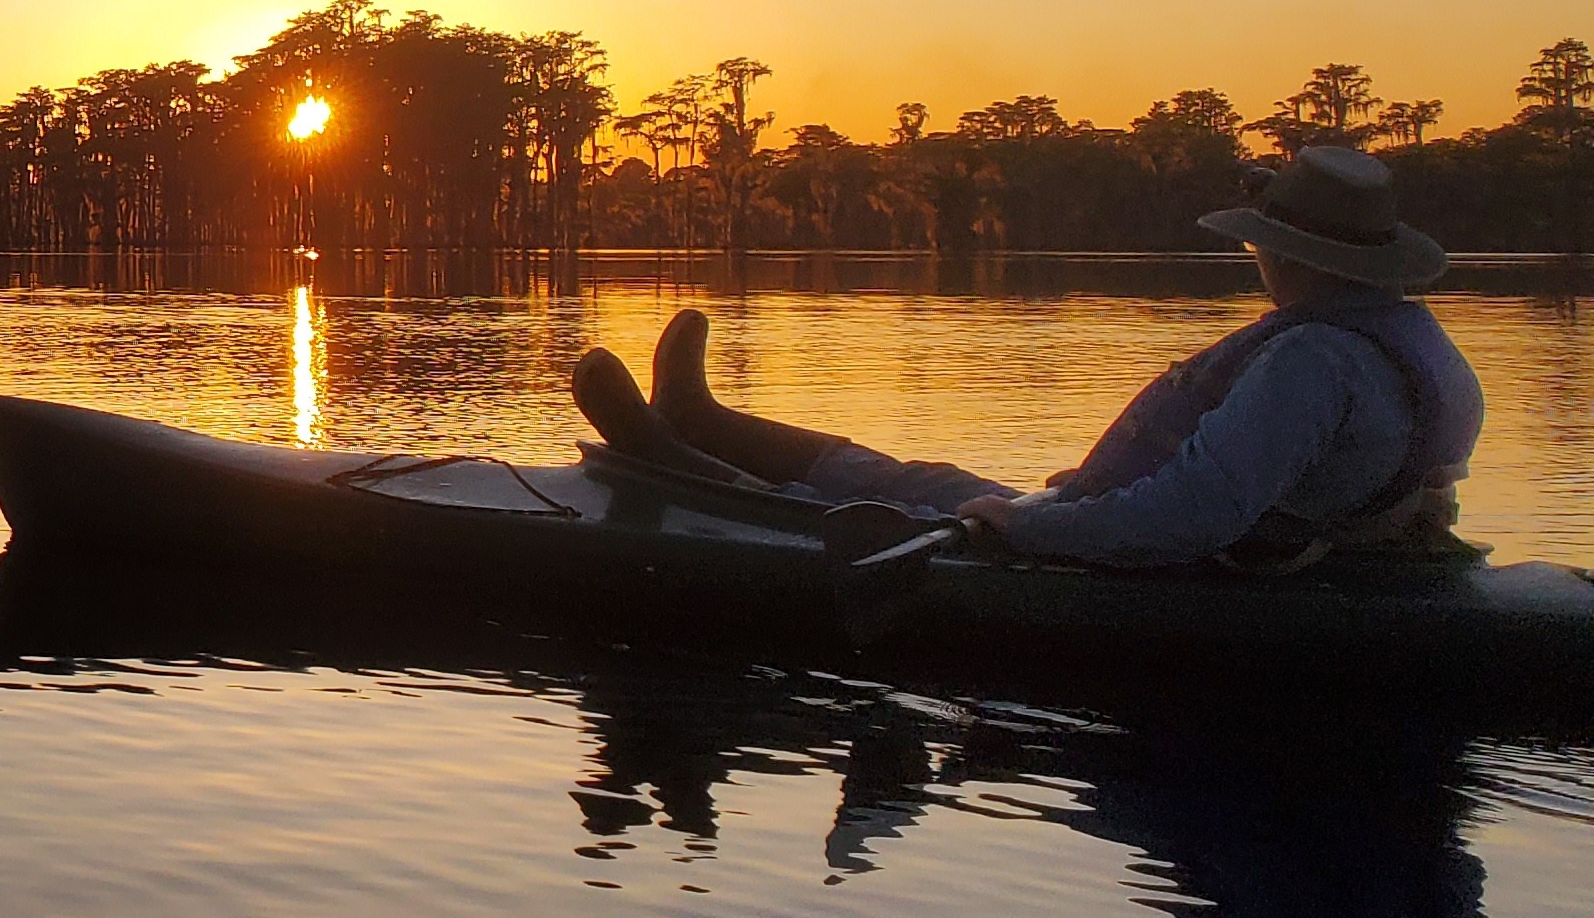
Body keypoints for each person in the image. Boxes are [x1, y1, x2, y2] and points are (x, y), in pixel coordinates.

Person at [571, 146, 1484, 571]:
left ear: (1288, 252)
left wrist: (1030, 530)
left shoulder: (1312, 364)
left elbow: (1191, 517)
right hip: (1126, 524)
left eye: (1261, 244)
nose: (1258, 259)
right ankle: (700, 419)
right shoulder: (1409, 344)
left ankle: (671, 454)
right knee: (917, 474)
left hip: (1141, 564)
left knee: (873, 504)